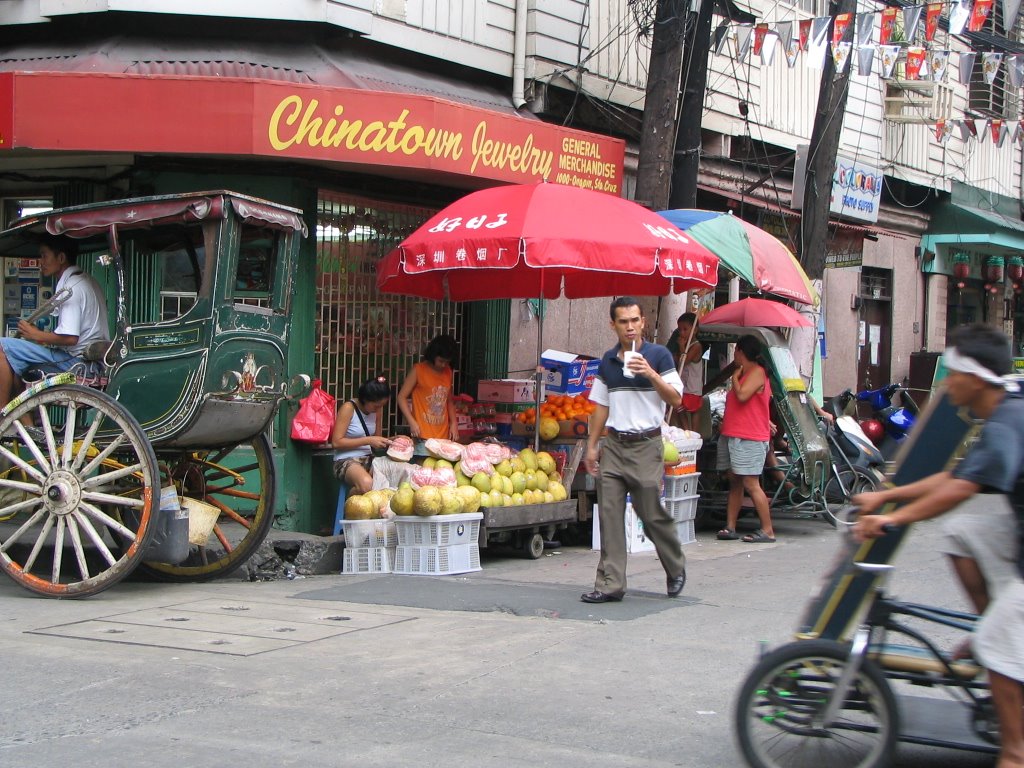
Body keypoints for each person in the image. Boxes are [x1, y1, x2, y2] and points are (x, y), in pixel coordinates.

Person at [853, 324, 1024, 768]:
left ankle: (1014, 753)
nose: (946, 383)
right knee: (961, 533)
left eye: (952, 374)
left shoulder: (1006, 421)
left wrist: (890, 519)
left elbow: (960, 489)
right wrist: (886, 495)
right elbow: (955, 475)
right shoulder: (1003, 410)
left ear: (975, 377)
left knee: (1000, 646)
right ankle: (997, 623)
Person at [581, 296, 687, 604]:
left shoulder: (659, 355)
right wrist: (592, 446)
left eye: (635, 320)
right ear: (612, 325)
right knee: (610, 514)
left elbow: (675, 399)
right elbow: (601, 405)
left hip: (647, 444)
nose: (630, 327)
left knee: (650, 512)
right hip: (614, 445)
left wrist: (651, 373)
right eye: (623, 321)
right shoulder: (608, 360)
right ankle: (611, 584)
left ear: (643, 322)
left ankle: (675, 566)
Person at [0, 235, 110, 409]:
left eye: (44, 255)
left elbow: (70, 338)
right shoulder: (87, 281)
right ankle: (27, 425)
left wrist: (34, 334)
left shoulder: (71, 287)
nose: (41, 262)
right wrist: (39, 337)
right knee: (17, 364)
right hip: (93, 364)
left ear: (60, 258)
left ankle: (2, 414)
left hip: (77, 364)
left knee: (2, 346)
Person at [715, 335, 776, 544]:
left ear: (741, 352)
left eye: (735, 352)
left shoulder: (757, 372)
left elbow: (742, 396)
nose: (734, 356)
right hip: (733, 434)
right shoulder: (745, 373)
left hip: (749, 437)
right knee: (735, 481)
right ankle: (730, 526)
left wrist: (733, 378)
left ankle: (767, 530)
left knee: (751, 482)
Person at [332, 375, 394, 495]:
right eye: (376, 406)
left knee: (394, 478)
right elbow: (336, 442)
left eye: (382, 406)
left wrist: (393, 440)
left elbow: (376, 442)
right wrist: (368, 440)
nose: (379, 409)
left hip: (370, 458)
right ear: (365, 399)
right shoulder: (348, 408)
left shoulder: (377, 410)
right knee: (368, 485)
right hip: (345, 460)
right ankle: (351, 503)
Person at [397, 334, 459, 446]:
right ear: (433, 355)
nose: (443, 365)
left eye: (447, 362)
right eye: (441, 361)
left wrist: (454, 423)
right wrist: (411, 422)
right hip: (422, 435)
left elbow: (449, 400)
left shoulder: (448, 371)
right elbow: (401, 397)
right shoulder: (418, 370)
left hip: (443, 436)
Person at [667, 312, 704, 430]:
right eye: (680, 330)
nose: (682, 333)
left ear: (695, 330)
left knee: (693, 411)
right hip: (684, 385)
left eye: (685, 329)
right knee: (679, 407)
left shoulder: (696, 346)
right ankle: (686, 430)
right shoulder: (687, 345)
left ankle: (694, 434)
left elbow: (684, 360)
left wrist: (682, 347)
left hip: (692, 387)